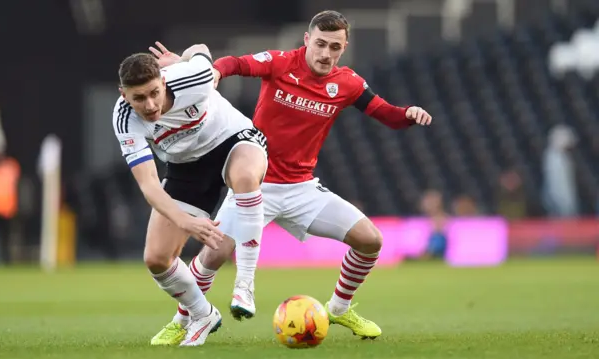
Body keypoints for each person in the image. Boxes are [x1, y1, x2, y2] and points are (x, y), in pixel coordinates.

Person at [151, 10, 432, 340]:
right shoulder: (281, 62)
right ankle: (183, 320)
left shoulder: (348, 83)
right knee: (213, 255)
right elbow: (237, 63)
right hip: (255, 184)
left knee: (371, 241)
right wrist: (214, 72)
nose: (326, 54)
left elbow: (387, 115)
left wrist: (408, 114)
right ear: (307, 41)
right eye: (321, 44)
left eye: (335, 47)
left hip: (302, 190)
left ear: (344, 47)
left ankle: (339, 309)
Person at [113, 43, 268, 346]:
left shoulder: (192, 77)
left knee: (246, 176)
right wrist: (185, 221)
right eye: (138, 98)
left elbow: (201, 49)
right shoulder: (125, 119)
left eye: (154, 93)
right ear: (123, 95)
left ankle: (245, 284)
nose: (149, 105)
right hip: (185, 166)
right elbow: (150, 186)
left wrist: (183, 58)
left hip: (232, 139)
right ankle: (202, 314)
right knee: (156, 259)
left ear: (164, 81)